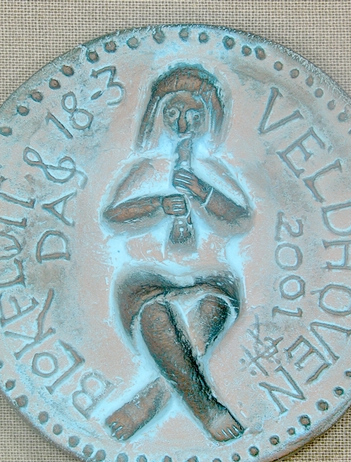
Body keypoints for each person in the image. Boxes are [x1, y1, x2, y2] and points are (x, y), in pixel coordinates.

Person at [102, 66, 252, 442]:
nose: (182, 123)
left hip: (208, 274)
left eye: (193, 114)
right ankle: (207, 408)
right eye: (172, 113)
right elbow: (113, 214)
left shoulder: (213, 168)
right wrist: (157, 204)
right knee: (155, 314)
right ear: (158, 116)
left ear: (208, 119)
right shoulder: (146, 167)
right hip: (149, 276)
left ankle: (153, 396)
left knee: (212, 308)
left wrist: (203, 192)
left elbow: (240, 217)